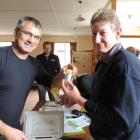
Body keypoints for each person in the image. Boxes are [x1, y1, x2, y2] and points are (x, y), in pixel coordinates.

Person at [59, 9, 140, 140]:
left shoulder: (125, 66)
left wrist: (81, 100)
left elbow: (122, 121)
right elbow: (101, 99)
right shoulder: (103, 62)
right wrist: (75, 99)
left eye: (103, 33)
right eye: (94, 33)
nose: (96, 40)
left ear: (118, 33)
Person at [0, 16, 57, 140]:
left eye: (36, 37)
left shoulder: (34, 64)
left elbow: (53, 83)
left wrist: (64, 74)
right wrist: (5, 130)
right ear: (16, 32)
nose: (31, 40)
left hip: (14, 129)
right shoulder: (1, 55)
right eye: (27, 34)